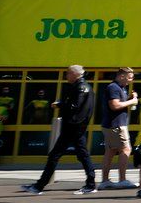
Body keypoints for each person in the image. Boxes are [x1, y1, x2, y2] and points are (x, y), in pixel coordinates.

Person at [21, 65, 98, 195]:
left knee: (55, 155)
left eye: (68, 73)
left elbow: (75, 106)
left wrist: (59, 105)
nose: (66, 76)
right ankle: (90, 184)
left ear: (75, 74)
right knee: (82, 155)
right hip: (77, 126)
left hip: (73, 126)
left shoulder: (80, 87)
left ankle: (39, 186)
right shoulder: (85, 87)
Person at [99, 68, 139, 190]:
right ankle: (122, 180)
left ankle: (105, 181)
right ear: (122, 76)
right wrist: (132, 101)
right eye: (130, 77)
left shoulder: (120, 88)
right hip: (116, 125)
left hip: (112, 124)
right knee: (125, 150)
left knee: (110, 152)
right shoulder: (114, 87)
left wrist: (129, 99)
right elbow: (115, 105)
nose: (131, 80)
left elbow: (118, 103)